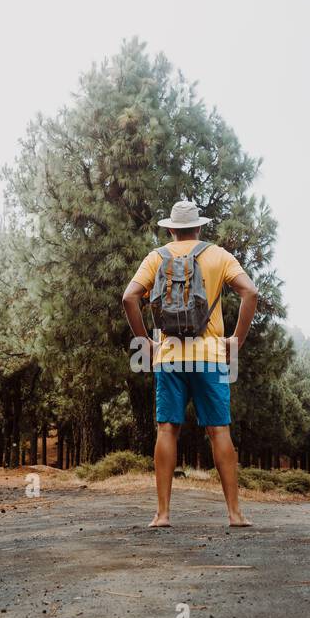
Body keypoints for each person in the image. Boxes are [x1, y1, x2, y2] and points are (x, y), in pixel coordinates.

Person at [122, 200, 258, 528]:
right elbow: (250, 293)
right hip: (210, 358)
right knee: (219, 430)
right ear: (199, 227)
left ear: (171, 229)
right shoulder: (218, 255)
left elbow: (129, 298)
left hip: (170, 358)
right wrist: (236, 341)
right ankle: (235, 514)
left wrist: (146, 342)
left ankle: (163, 514)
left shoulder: (156, 257)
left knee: (167, 429)